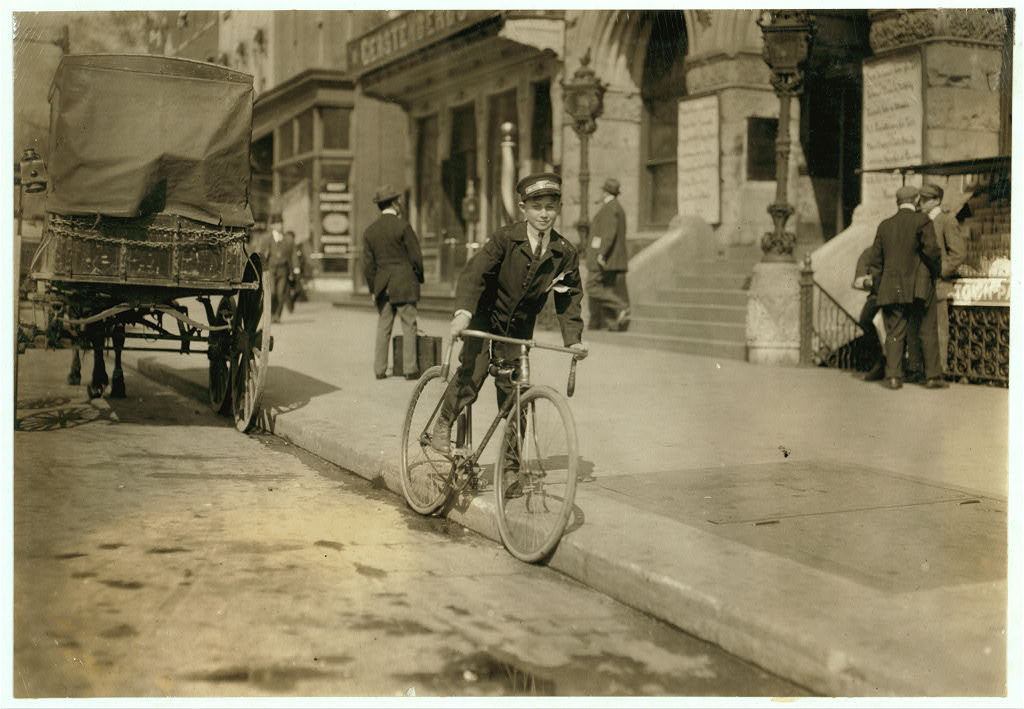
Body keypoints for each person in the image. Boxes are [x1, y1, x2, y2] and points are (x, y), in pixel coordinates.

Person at [430, 172, 588, 470]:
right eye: (536, 206)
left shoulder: (564, 252)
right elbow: (474, 274)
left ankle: (512, 468)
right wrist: (463, 313)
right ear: (523, 208)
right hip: (483, 315)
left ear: (558, 209)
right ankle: (444, 421)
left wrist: (574, 339)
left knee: (515, 391)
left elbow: (568, 297)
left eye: (550, 207)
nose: (544, 214)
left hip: (518, 328)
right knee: (473, 373)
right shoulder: (505, 239)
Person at [865, 185, 943, 390]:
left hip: (892, 287)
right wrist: (936, 272)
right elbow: (932, 251)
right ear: (917, 200)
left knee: (895, 331)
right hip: (919, 285)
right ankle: (933, 376)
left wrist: (879, 286)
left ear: (897, 202)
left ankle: (893, 377)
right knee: (927, 328)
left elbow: (875, 262)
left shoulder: (884, 225)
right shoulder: (922, 221)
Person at [362, 185, 424, 380]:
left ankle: (379, 370)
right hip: (404, 282)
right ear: (395, 203)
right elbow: (416, 257)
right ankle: (409, 369)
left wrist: (374, 288)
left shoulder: (370, 231)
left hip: (382, 284)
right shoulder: (403, 226)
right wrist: (418, 278)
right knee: (409, 324)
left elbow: (368, 266)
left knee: (384, 326)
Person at [906, 183, 966, 382]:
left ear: (937, 200)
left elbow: (958, 253)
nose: (921, 203)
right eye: (921, 199)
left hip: (938, 284)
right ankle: (917, 369)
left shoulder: (946, 221)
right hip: (917, 284)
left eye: (926, 199)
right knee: (915, 328)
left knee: (938, 328)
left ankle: (938, 371)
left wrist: (940, 271)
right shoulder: (919, 220)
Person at [585, 177, 631, 331]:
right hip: (612, 258)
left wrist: (601, 254)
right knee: (607, 289)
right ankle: (611, 325)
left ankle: (621, 307)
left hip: (603, 257)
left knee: (592, 287)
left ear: (605, 192)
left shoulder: (609, 208)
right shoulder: (617, 207)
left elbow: (608, 234)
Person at [852, 246, 884, 381]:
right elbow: (858, 280)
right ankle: (879, 361)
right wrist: (869, 281)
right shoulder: (871, 252)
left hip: (899, 296)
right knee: (866, 319)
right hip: (877, 296)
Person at [268, 216, 296, 324]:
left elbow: (293, 255)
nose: (279, 226)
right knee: (272, 292)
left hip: (283, 270)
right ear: (272, 226)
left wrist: (295, 269)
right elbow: (262, 252)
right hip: (271, 269)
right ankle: (270, 313)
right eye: (276, 224)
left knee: (280, 293)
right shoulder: (268, 238)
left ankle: (277, 315)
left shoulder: (288, 239)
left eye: (280, 223)